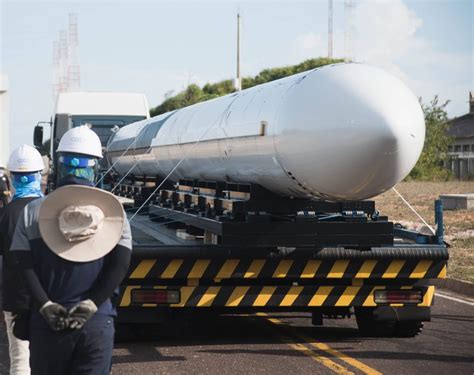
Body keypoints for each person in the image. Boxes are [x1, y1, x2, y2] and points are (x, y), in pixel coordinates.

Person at [10, 125, 132, 375]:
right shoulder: (115, 214)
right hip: (96, 321)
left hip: (47, 323)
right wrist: (91, 304)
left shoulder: (31, 212)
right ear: (96, 166)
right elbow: (119, 266)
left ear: (58, 164)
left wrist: (44, 305)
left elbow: (22, 265)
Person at [0, 144, 45, 375]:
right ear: (39, 175)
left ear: (12, 178)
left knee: (20, 362)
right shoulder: (51, 209)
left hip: (16, 298)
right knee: (49, 360)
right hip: (49, 297)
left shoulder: (5, 214)